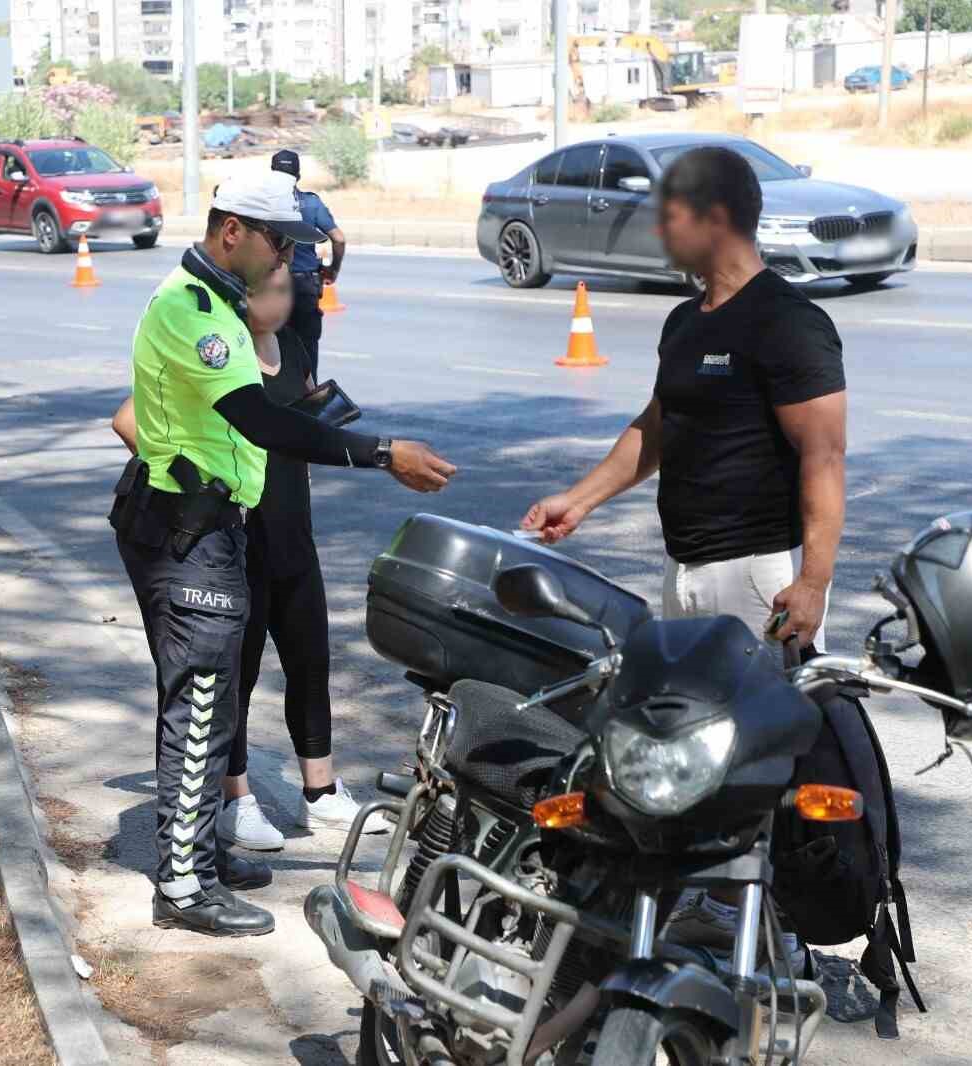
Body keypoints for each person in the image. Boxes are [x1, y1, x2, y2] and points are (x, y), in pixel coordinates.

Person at [521, 145, 847, 952]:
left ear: (717, 218)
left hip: (761, 576)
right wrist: (580, 499)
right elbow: (657, 429)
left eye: (671, 214)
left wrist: (812, 582)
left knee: (753, 764)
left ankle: (767, 931)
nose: (660, 229)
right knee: (689, 754)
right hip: (691, 571)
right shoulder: (685, 320)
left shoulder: (788, 322)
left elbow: (825, 457)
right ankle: (707, 912)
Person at [113, 170, 456, 937]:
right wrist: (382, 452)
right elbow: (261, 422)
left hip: (210, 527)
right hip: (184, 530)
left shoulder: (224, 306)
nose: (283, 263)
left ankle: (195, 846)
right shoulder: (190, 310)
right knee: (200, 705)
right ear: (232, 230)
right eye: (277, 244)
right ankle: (184, 884)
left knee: (215, 697)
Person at [111, 264, 382, 857]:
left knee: (311, 660)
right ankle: (236, 799)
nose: (281, 301)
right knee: (233, 676)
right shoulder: (216, 352)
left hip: (293, 535)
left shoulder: (291, 347)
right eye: (270, 290)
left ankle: (322, 789)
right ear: (243, 296)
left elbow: (292, 430)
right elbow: (129, 420)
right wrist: (189, 476)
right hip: (233, 541)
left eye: (288, 290)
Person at [270, 149, 345, 375]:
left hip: (271, 287)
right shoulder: (311, 204)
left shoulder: (261, 206)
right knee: (306, 352)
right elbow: (339, 238)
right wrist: (333, 270)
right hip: (305, 286)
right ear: (298, 176)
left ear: (272, 174)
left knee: (271, 353)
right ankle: (309, 402)